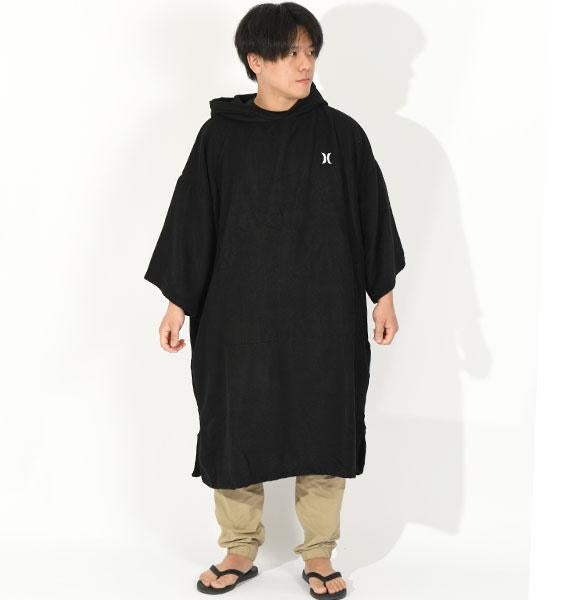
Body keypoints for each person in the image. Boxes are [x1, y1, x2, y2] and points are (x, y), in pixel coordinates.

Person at [143, 3, 405, 597]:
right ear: (255, 61)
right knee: (236, 424)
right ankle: (239, 548)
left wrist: (383, 294)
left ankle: (320, 554)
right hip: (238, 317)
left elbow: (372, 217)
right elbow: (194, 221)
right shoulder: (219, 137)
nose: (304, 63)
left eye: (310, 51)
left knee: (325, 424)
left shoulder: (340, 134)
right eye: (290, 53)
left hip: (324, 315)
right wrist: (176, 303)